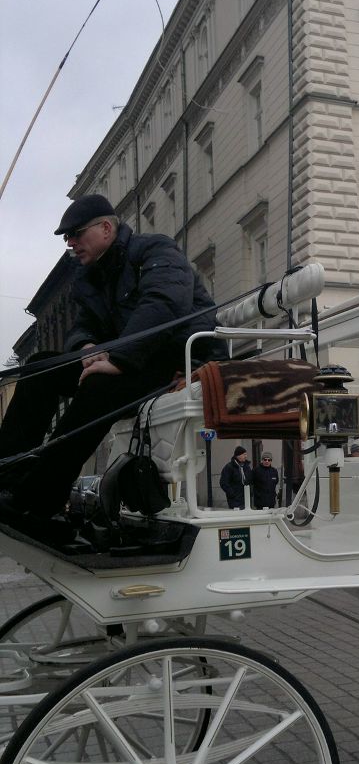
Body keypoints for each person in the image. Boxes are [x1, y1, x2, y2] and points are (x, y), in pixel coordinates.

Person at [0, 194, 221, 541]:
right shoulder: (90, 278)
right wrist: (86, 347)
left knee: (100, 387)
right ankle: (8, 479)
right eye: (65, 238)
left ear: (106, 228)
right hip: (132, 357)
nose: (70, 243)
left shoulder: (155, 251)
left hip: (179, 360)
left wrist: (116, 359)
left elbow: (163, 306)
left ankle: (39, 499)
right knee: (41, 368)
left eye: (75, 234)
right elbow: (83, 325)